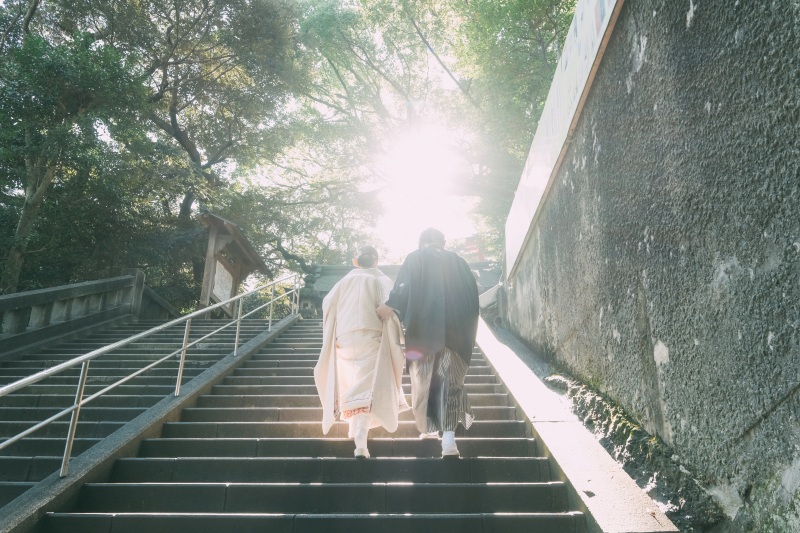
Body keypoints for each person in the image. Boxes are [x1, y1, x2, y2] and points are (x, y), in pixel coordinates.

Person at [377, 228, 479, 457]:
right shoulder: (460, 262)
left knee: (424, 382)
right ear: (443, 242)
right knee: (451, 384)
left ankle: (431, 429)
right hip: (457, 335)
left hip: (423, 334)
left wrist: (389, 305)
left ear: (422, 242)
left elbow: (402, 288)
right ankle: (449, 441)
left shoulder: (415, 258)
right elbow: (473, 299)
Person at [314, 246, 409, 458]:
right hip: (371, 334)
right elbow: (392, 300)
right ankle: (360, 437)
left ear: (355, 262)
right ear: (376, 261)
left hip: (345, 337)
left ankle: (353, 428)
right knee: (368, 386)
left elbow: (327, 303)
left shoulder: (344, 281)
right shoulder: (379, 279)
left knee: (351, 382)